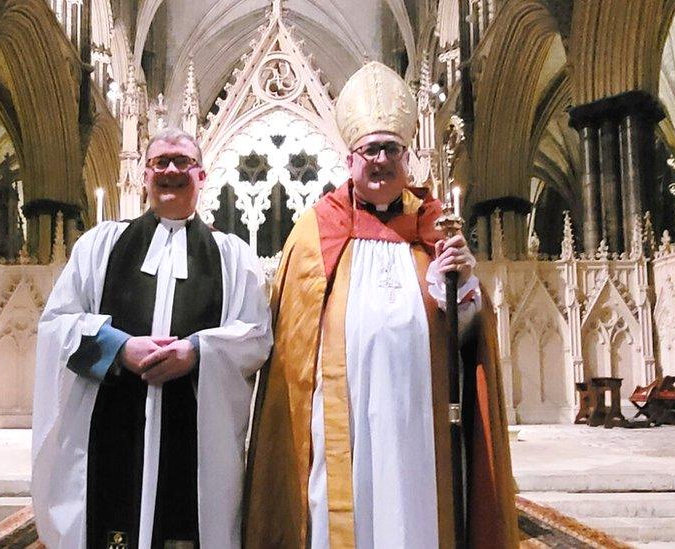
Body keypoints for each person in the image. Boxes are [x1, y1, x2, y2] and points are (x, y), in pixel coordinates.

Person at [244, 62, 517, 548]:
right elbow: (291, 341)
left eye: (391, 148)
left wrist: (463, 286)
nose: (380, 159)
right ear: (349, 158)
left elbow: (468, 336)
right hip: (338, 421)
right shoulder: (313, 231)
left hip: (422, 419)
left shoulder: (438, 230)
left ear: (407, 156)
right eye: (369, 149)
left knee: (418, 516)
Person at [32, 128, 272, 549]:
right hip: (111, 434)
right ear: (143, 175)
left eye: (183, 162)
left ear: (201, 176)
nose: (171, 170)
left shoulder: (232, 256)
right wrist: (119, 348)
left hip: (194, 438)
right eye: (161, 162)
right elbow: (57, 324)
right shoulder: (100, 246)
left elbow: (255, 334)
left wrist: (197, 351)